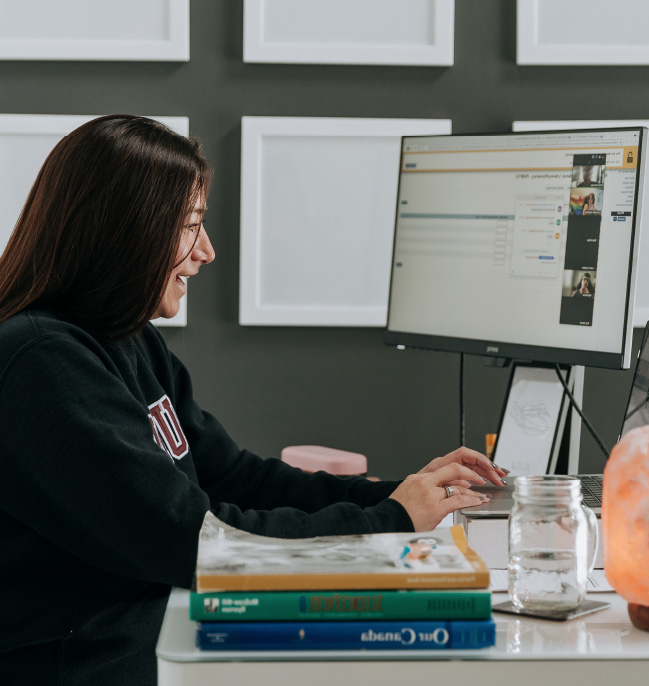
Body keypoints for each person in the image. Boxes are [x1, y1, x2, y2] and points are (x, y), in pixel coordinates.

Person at [0, 115, 507, 686]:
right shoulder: (42, 364)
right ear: (127, 232)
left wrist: (389, 493)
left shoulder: (129, 340)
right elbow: (194, 543)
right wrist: (389, 520)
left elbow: (234, 478)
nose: (207, 252)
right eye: (191, 227)